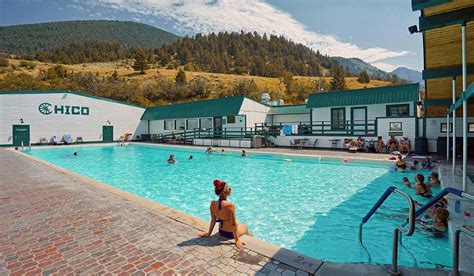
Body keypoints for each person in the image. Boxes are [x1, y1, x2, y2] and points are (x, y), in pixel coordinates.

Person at [198, 180, 250, 250]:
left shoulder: (213, 204)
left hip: (221, 232)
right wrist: (237, 240)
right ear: (224, 192)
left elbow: (213, 220)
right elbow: (234, 224)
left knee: (239, 223)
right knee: (245, 226)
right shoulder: (230, 205)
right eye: (229, 188)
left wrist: (209, 233)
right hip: (231, 234)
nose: (230, 189)